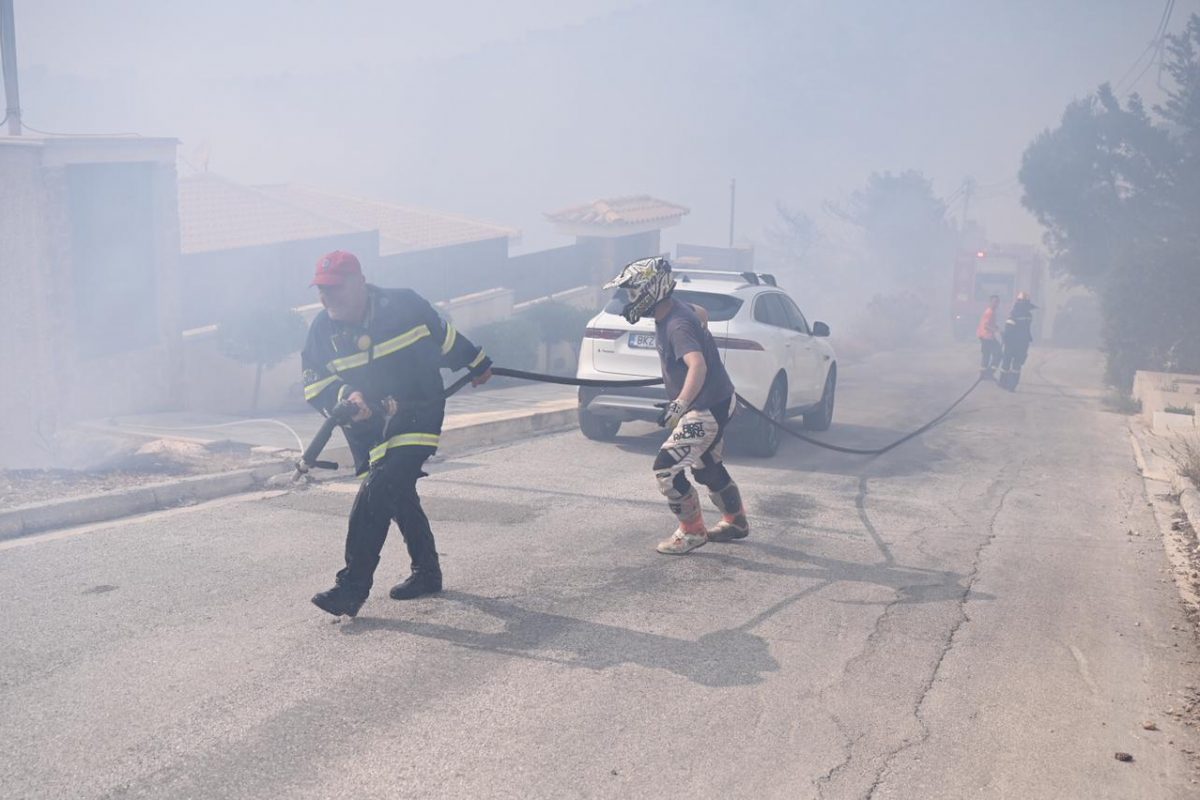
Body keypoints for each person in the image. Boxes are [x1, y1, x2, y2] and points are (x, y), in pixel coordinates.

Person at [300, 251, 492, 617]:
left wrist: (477, 363)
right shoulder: (321, 331)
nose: (327, 298)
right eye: (321, 290)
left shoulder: (403, 304)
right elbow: (314, 385)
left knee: (381, 487)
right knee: (398, 492)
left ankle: (351, 588)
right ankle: (427, 571)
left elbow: (445, 337)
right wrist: (346, 396)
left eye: (335, 288)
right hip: (368, 429)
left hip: (418, 410)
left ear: (359, 282)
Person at [603, 257, 749, 555]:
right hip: (720, 400)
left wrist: (679, 404)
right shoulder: (677, 310)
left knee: (666, 470)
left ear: (651, 290)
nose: (630, 299)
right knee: (707, 468)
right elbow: (701, 312)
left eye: (634, 292)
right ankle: (735, 521)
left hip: (706, 408)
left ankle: (693, 532)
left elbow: (698, 366)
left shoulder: (676, 325)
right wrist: (702, 327)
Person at [998, 291, 1037, 391]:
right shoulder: (1028, 315)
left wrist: (1004, 337)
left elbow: (1009, 329)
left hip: (1012, 343)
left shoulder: (1014, 314)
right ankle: (1012, 385)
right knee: (1017, 364)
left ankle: (1003, 383)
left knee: (1006, 363)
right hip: (1023, 344)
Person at [977, 294, 1002, 380]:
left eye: (997, 302)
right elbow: (986, 326)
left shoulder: (991, 311)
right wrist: (996, 331)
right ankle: (989, 373)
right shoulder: (989, 312)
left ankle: (983, 374)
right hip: (987, 337)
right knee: (998, 353)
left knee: (986, 355)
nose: (996, 304)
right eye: (995, 302)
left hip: (985, 336)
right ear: (990, 302)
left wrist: (997, 327)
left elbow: (991, 324)